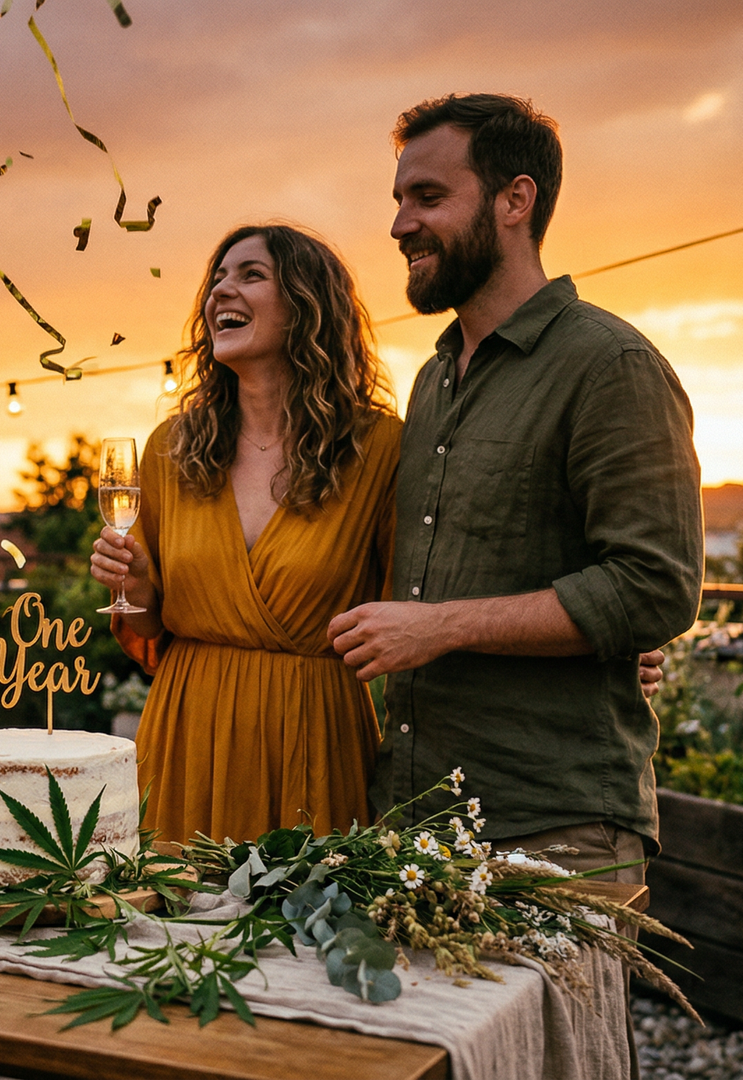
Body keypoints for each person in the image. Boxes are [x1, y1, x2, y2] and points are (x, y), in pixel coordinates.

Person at [328, 94, 704, 884]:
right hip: (417, 825)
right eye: (398, 200)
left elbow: (654, 589)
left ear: (514, 200)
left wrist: (440, 628)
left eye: (427, 197)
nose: (400, 224)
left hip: (554, 833)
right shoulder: (431, 381)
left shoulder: (610, 366)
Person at [90, 225, 403, 845]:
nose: (220, 291)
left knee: (306, 934)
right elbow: (149, 630)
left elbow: (423, 598)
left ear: (308, 307)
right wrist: (142, 585)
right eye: (217, 279)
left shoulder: (379, 448)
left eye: (250, 275)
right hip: (186, 730)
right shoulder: (170, 449)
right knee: (172, 926)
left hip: (315, 734)